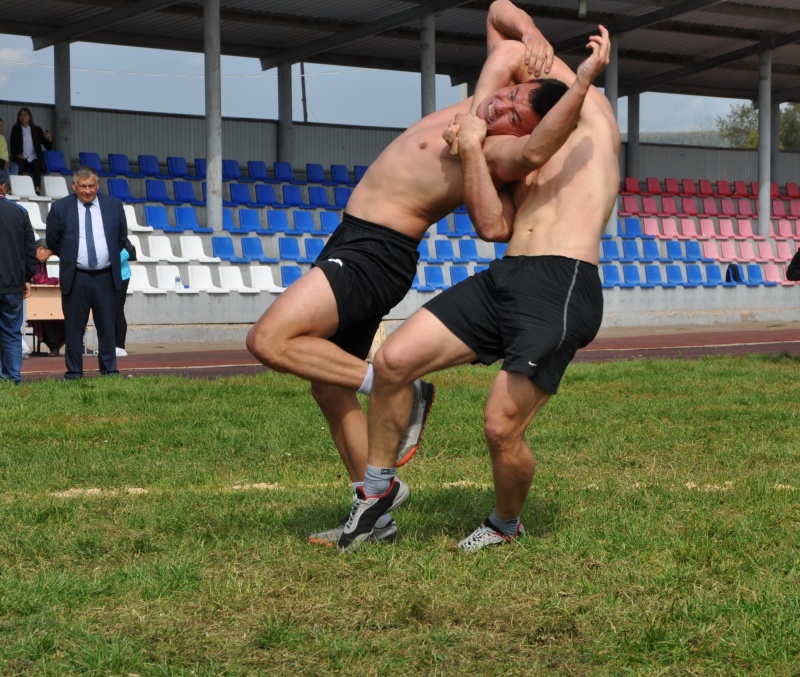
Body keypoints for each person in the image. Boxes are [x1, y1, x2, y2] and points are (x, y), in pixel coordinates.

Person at [246, 6, 578, 547]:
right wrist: (532, 31)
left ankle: (402, 389)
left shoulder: (497, 149)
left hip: (378, 252)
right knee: (328, 388)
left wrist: (506, 128)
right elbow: (498, 15)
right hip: (351, 237)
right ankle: (374, 510)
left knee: (268, 339)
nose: (505, 107)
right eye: (512, 98)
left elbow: (516, 188)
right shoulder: (488, 97)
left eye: (517, 113)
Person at [337, 6, 619, 553]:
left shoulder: (591, 121)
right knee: (393, 363)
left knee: (500, 428)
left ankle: (505, 525)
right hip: (506, 277)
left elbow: (512, 45)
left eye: (516, 100)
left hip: (561, 287)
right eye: (505, 105)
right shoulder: (513, 155)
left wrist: (549, 50)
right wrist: (472, 147)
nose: (503, 103)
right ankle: (375, 497)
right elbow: (492, 225)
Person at [43, 165, 127, 379]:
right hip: (76, 276)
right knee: (74, 327)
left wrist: (102, 257)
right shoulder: (61, 208)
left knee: (107, 326)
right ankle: (74, 372)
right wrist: (72, 257)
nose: (87, 191)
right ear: (74, 186)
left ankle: (109, 371)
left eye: (91, 186)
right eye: (82, 186)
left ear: (98, 185)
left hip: (105, 276)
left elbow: (120, 238)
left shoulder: (114, 206)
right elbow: (53, 240)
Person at [0, 168, 37, 384]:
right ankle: (13, 377)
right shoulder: (20, 212)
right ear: (4, 186)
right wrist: (27, 278)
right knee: (12, 332)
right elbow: (29, 248)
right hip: (13, 283)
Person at [30, 238, 66, 356]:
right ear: (41, 249)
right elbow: (38, 279)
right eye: (48, 255)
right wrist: (57, 280)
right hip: (31, 302)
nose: (48, 258)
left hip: (41, 300)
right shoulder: (30, 261)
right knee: (45, 315)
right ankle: (53, 346)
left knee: (60, 314)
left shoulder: (41, 263)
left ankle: (57, 345)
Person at [9, 107, 53, 194]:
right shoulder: (16, 129)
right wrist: (17, 155)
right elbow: (12, 145)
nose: (23, 117)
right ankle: (19, 188)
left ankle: (37, 190)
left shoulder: (37, 130)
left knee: (36, 163)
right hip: (22, 158)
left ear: (29, 117)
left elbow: (48, 147)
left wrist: (49, 139)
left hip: (34, 157)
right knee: (19, 164)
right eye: (21, 115)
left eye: (25, 115)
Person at [116, 240, 134, 357]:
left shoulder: (116, 234)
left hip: (121, 277)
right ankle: (110, 345)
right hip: (107, 279)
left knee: (117, 311)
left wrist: (107, 264)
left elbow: (125, 253)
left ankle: (120, 346)